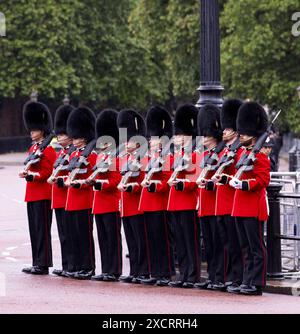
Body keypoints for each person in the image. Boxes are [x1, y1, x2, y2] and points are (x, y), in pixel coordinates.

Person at [229, 101, 270, 296]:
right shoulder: (243, 154)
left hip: (252, 206)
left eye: (243, 134)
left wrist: (245, 185)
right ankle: (246, 280)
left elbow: (263, 180)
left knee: (255, 247)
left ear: (254, 135)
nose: (240, 136)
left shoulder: (259, 156)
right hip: (239, 205)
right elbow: (239, 174)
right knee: (244, 246)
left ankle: (257, 282)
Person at [211, 99, 244, 292]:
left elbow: (239, 173)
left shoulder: (238, 150)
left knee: (235, 243)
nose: (223, 131)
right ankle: (230, 276)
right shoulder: (223, 150)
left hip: (231, 203)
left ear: (234, 130)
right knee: (226, 244)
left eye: (227, 129)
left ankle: (237, 277)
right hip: (220, 203)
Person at [139, 106, 175, 286]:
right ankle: (155, 271)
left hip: (160, 203)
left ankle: (166, 272)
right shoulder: (147, 157)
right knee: (151, 239)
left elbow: (167, 180)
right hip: (147, 203)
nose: (151, 142)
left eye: (154, 139)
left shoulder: (167, 157)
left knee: (163, 240)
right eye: (151, 139)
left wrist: (154, 186)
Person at [20, 97, 56, 275]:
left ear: (42, 130)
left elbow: (49, 171)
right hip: (32, 194)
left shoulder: (48, 149)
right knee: (34, 230)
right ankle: (36, 261)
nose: (31, 133)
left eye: (34, 130)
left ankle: (43, 263)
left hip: (43, 194)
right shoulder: (33, 149)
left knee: (42, 230)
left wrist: (34, 175)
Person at [167, 104, 200, 288]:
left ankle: (193, 274)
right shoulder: (176, 154)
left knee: (190, 241)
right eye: (176, 135)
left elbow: (195, 180)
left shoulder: (195, 154)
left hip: (187, 202)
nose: (177, 138)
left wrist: (180, 184)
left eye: (180, 135)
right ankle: (184, 273)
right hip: (175, 203)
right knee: (180, 241)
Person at [117, 109, 150, 284]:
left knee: (140, 240)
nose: (126, 142)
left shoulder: (143, 159)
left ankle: (144, 270)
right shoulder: (126, 159)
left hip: (137, 205)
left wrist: (132, 187)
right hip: (126, 206)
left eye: (129, 140)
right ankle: (135, 270)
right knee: (130, 240)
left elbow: (144, 181)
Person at [64, 107, 97, 280]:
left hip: (84, 199)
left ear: (84, 137)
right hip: (72, 200)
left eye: (77, 137)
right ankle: (76, 265)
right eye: (74, 137)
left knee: (85, 236)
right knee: (74, 235)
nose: (74, 140)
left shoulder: (90, 155)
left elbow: (92, 177)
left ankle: (88, 267)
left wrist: (78, 184)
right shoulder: (74, 154)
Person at [90, 109, 122, 282]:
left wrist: (100, 184)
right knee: (103, 238)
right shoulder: (100, 158)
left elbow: (116, 180)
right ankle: (106, 269)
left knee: (112, 238)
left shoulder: (115, 158)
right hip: (99, 203)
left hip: (111, 202)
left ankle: (114, 270)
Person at [194, 104, 223, 290]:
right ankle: (212, 276)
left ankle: (220, 276)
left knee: (219, 243)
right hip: (204, 204)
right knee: (210, 244)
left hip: (215, 204)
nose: (203, 138)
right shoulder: (204, 154)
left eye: (206, 134)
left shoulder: (221, 153)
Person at [48, 99, 74, 277]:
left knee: (71, 235)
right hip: (58, 198)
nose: (60, 137)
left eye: (63, 134)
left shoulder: (73, 153)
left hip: (68, 197)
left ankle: (72, 265)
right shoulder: (62, 152)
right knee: (63, 235)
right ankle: (66, 265)